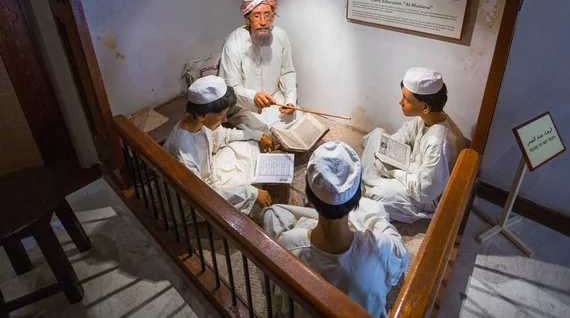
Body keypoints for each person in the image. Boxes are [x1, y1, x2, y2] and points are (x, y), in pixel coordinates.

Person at [262, 142, 408, 318]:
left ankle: (304, 219)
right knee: (374, 209)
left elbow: (275, 296)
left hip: (307, 231)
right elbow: (401, 256)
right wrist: (375, 219)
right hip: (354, 223)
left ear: (309, 197)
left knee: (273, 212)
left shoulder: (288, 245)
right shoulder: (379, 247)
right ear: (357, 198)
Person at [362, 67, 467, 223]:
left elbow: (425, 190)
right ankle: (370, 177)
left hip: (425, 194)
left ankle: (368, 179)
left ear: (425, 106)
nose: (400, 102)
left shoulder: (438, 143)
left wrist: (393, 172)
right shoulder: (430, 117)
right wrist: (389, 149)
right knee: (378, 134)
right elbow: (406, 132)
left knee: (381, 193)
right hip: (410, 167)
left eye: (406, 99)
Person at [163, 75, 273, 215]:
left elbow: (225, 135)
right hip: (196, 201)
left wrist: (258, 136)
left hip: (210, 176)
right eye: (222, 115)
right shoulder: (184, 153)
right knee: (247, 192)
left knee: (250, 144)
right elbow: (200, 195)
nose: (226, 119)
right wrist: (251, 194)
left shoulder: (198, 122)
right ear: (203, 114)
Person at [219, 0, 298, 132]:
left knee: (299, 119)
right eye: (256, 16)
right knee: (266, 130)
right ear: (247, 20)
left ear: (273, 17)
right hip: (244, 105)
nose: (263, 21)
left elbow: (287, 72)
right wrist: (253, 97)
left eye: (267, 15)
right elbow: (229, 87)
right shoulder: (233, 42)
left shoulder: (281, 36)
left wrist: (290, 100)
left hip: (275, 98)